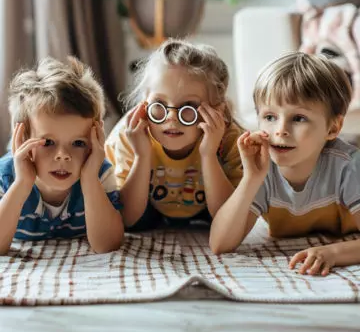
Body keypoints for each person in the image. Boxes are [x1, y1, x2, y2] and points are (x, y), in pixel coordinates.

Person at [209, 52, 360, 276]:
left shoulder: (348, 167)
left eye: (298, 118)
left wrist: (335, 253)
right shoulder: (261, 167)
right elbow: (220, 244)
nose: (280, 130)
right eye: (270, 117)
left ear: (332, 129)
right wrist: (251, 178)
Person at [105, 39, 244, 230]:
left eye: (189, 107)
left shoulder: (230, 138)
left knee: (229, 215)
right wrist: (141, 155)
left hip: (208, 205)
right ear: (144, 103)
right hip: (146, 206)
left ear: (217, 111)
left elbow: (229, 224)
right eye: (159, 104)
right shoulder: (130, 135)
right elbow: (126, 219)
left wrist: (209, 154)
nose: (171, 118)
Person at [0, 57, 124, 255]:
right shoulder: (6, 176)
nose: (63, 156)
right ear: (22, 139)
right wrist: (22, 183)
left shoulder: (98, 173)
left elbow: (107, 245)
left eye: (78, 143)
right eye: (48, 142)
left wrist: (90, 180)